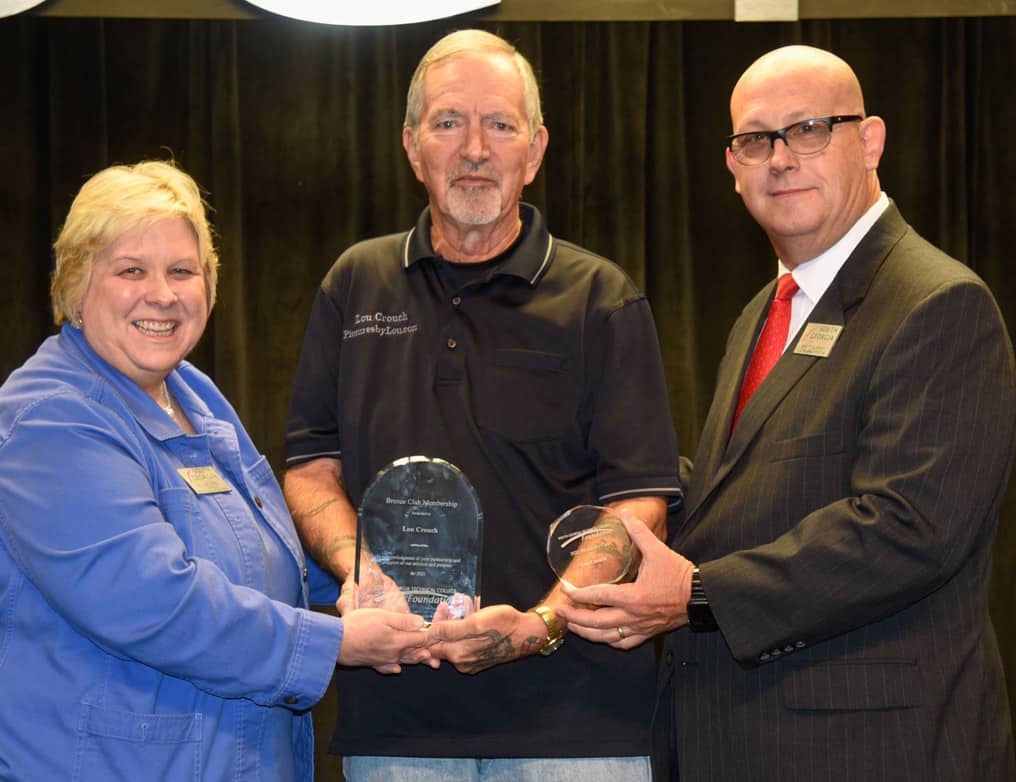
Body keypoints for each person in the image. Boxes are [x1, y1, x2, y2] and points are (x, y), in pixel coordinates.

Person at [558, 45, 1016, 781]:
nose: (779, 158)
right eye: (754, 139)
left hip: (869, 752)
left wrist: (697, 593)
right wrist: (620, 489)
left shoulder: (938, 304)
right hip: (740, 738)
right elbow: (736, 492)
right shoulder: (765, 313)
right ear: (732, 167)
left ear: (869, 141)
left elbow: (910, 529)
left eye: (808, 129)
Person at [283, 29, 683, 782]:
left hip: (578, 726)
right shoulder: (354, 284)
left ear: (534, 150)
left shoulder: (602, 298)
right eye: (447, 122)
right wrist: (358, 569)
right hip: (395, 722)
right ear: (411, 146)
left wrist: (538, 627)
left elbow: (638, 502)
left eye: (499, 124)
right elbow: (310, 467)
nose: (474, 148)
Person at [0, 160, 437, 782]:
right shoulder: (50, 419)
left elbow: (259, 555)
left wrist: (363, 581)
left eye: (183, 270)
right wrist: (335, 642)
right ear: (76, 282)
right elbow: (151, 601)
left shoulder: (191, 393)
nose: (163, 294)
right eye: (131, 270)